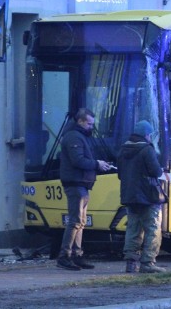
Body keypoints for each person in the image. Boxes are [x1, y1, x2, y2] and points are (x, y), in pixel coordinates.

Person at [56, 108, 111, 271]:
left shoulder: (79, 136)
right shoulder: (74, 136)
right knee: (75, 221)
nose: (91, 127)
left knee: (79, 222)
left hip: (81, 183)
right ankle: (65, 256)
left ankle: (77, 255)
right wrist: (97, 164)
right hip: (76, 183)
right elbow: (78, 160)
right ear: (80, 121)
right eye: (89, 123)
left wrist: (97, 164)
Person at [117, 120, 168, 274]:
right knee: (152, 229)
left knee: (133, 229)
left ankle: (131, 264)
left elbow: (120, 174)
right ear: (147, 135)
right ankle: (148, 263)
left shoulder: (123, 150)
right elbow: (156, 172)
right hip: (148, 196)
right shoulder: (147, 149)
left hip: (130, 197)